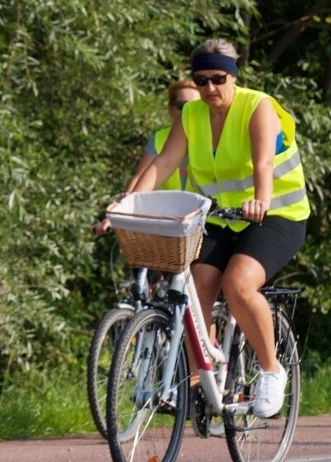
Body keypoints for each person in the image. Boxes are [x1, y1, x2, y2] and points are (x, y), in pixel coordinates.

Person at [129, 39, 309, 420]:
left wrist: (260, 200)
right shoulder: (192, 115)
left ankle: (271, 370)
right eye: (201, 80)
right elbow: (164, 163)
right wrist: (130, 204)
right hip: (222, 217)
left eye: (218, 78)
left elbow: (262, 163)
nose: (209, 88)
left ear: (233, 76)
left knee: (238, 284)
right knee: (195, 287)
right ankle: (199, 378)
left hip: (276, 214)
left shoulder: (257, 107)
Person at [93, 81, 201, 237]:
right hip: (167, 222)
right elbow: (139, 178)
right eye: (182, 106)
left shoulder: (212, 136)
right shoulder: (159, 139)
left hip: (205, 219)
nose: (188, 111)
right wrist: (117, 215)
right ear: (170, 109)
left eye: (195, 105)